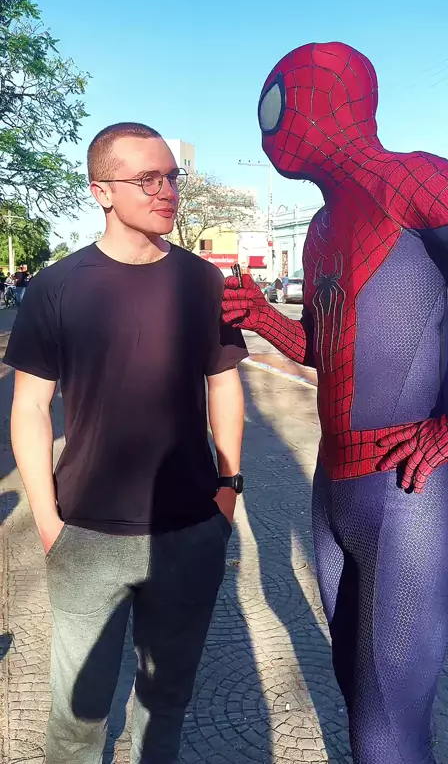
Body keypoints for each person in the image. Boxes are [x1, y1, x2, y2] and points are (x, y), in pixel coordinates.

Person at [222, 42, 448, 764]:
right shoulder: (321, 228)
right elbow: (324, 346)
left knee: (384, 730)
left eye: (281, 102)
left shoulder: (415, 181)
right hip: (335, 487)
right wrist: (260, 317)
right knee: (362, 694)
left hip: (414, 489)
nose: (271, 127)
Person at [5, 121, 247, 764]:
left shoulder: (203, 282)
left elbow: (224, 383)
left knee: (166, 705)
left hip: (189, 530)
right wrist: (49, 523)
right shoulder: (56, 287)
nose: (166, 190)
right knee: (76, 718)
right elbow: (29, 406)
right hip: (85, 534)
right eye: (147, 178)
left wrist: (228, 491)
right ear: (102, 192)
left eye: (171, 176)